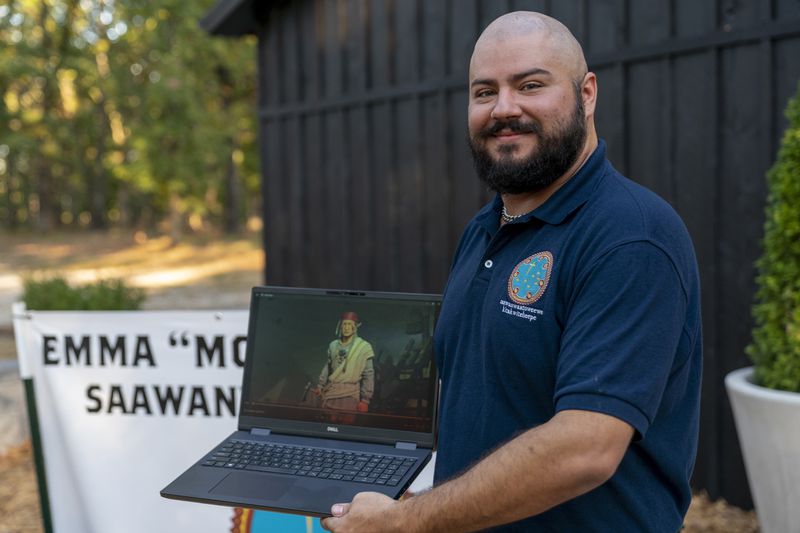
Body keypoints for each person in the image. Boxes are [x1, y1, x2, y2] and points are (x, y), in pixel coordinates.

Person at [322, 11, 701, 532]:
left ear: (586, 94)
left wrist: (406, 521)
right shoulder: (486, 226)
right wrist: (419, 499)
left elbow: (585, 448)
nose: (504, 108)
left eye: (530, 85)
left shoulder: (632, 237)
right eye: (484, 92)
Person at [315, 311, 374, 412]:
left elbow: (368, 374)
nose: (346, 327)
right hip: (332, 391)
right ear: (340, 326)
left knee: (347, 422)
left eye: (349, 324)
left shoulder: (363, 347)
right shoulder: (333, 345)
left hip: (350, 393)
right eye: (344, 324)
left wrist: (365, 400)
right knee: (330, 420)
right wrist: (320, 385)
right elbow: (328, 366)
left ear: (355, 327)